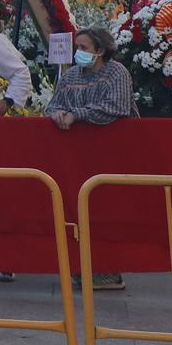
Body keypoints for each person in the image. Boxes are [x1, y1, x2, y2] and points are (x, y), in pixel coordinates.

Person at [49, 27, 137, 290]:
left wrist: (77, 114)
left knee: (106, 209)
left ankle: (108, 269)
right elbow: (54, 104)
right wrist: (58, 115)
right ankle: (79, 266)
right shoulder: (71, 74)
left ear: (100, 51)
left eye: (84, 48)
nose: (79, 52)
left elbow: (117, 106)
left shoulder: (116, 72)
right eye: (78, 47)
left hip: (111, 153)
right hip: (76, 154)